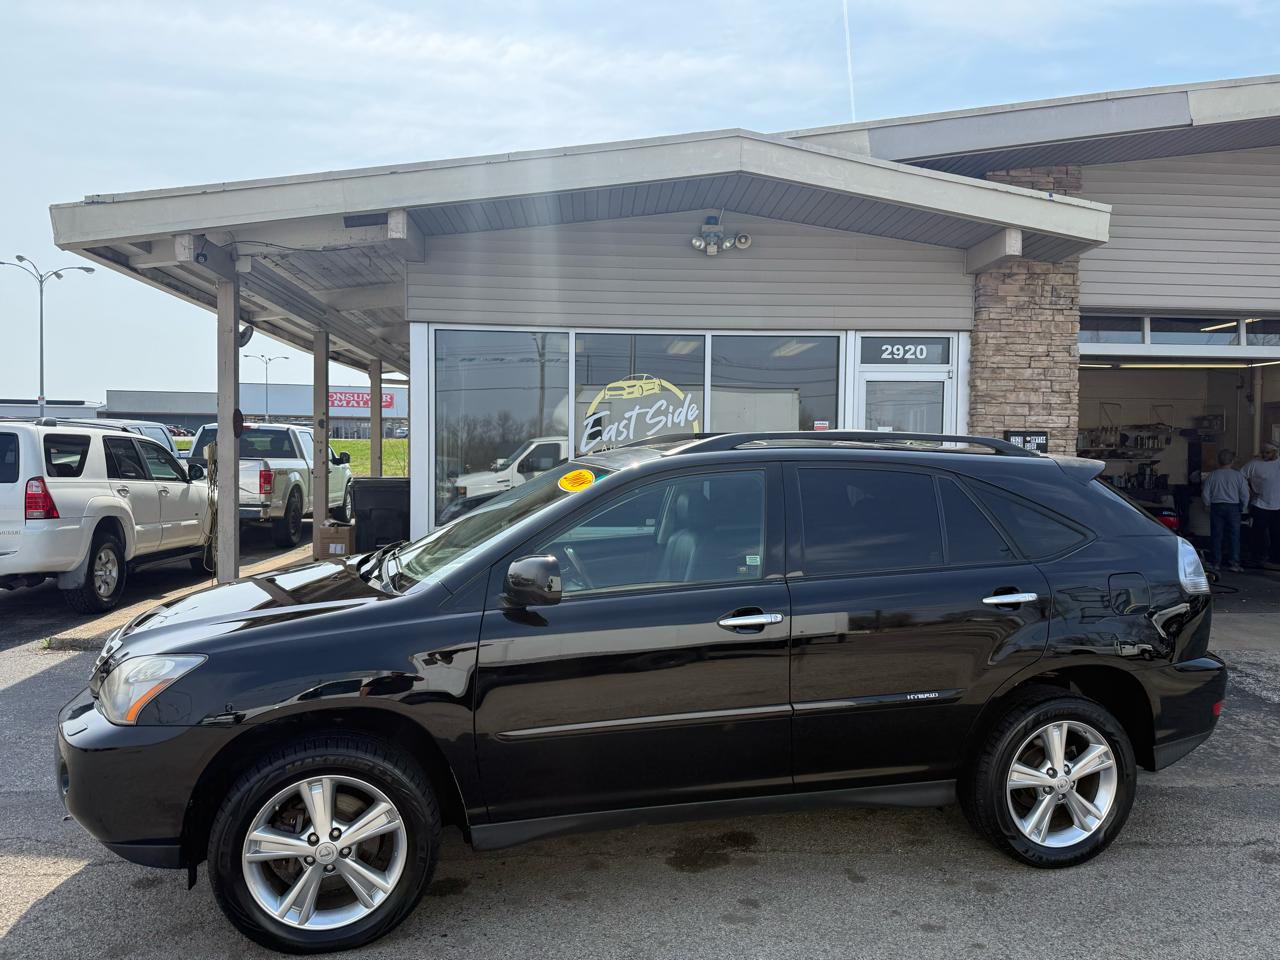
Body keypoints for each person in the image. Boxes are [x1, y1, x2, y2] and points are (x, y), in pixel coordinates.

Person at [1201, 449, 1249, 572]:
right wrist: (1243, 506)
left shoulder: (1213, 475)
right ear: (1232, 461)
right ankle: (1234, 563)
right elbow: (1245, 494)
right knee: (1234, 535)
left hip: (1217, 507)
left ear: (1219, 461)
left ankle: (1216, 563)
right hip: (1233, 507)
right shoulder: (1238, 475)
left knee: (1216, 535)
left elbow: (1205, 493)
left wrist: (1208, 504)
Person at [1242, 441, 1280, 569]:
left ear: (1275, 452)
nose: (1264, 455)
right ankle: (1257, 557)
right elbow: (1240, 477)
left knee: (1277, 533)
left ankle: (1275, 558)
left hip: (1278, 506)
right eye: (1262, 452)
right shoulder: (1254, 464)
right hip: (1260, 504)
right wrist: (1249, 490)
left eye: (1267, 453)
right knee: (1258, 533)